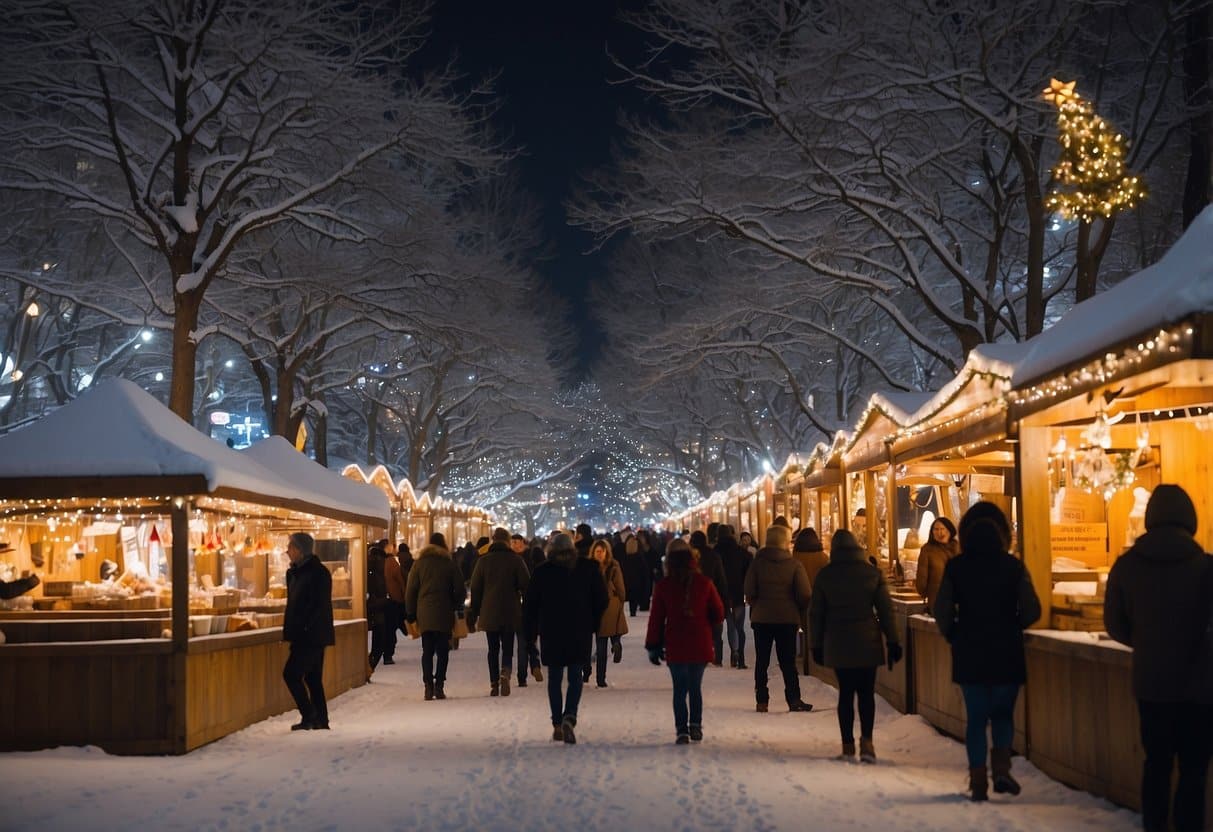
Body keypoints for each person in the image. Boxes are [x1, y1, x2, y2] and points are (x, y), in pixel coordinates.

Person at [1105, 484, 1213, 832]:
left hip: (1151, 684)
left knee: (1157, 764)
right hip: (1200, 685)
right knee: (1194, 770)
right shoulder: (1207, 567)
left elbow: (1113, 623)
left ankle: (1154, 826)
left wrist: (1146, 643)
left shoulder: (1126, 565)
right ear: (1190, 520)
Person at [935, 501, 1041, 802]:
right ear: (1003, 536)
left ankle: (979, 778)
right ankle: (1002, 767)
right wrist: (1014, 624)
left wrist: (954, 632)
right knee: (1004, 715)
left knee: (977, 718)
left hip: (969, 650)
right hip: (1007, 649)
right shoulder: (1013, 566)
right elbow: (1033, 608)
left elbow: (942, 609)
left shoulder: (956, 567)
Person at [810, 529, 901, 763]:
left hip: (838, 641)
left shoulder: (825, 576)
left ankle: (848, 745)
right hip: (867, 641)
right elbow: (886, 611)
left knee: (846, 694)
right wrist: (892, 640)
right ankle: (868, 743)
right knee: (866, 694)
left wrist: (816, 644)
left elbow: (816, 614)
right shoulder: (871, 574)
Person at [524, 532, 608, 744]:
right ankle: (570, 715)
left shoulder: (542, 572)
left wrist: (531, 633)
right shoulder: (588, 569)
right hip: (580, 630)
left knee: (554, 678)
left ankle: (556, 722)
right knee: (575, 676)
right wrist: (592, 620)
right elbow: (602, 599)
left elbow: (530, 605)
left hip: (551, 631)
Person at [646, 539, 725, 744]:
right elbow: (718, 613)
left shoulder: (664, 586)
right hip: (700, 641)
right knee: (695, 687)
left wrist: (653, 645)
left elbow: (656, 618)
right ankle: (696, 726)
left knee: (679, 689)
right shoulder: (704, 583)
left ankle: (681, 729)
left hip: (675, 643)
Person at [743, 524, 812, 713]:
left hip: (762, 618)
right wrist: (795, 606)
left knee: (762, 660)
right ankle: (794, 699)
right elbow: (805, 593)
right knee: (788, 661)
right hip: (787, 619)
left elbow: (748, 589)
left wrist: (757, 604)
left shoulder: (757, 563)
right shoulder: (794, 564)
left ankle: (762, 700)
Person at [469, 528, 530, 697]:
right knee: (508, 647)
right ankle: (505, 672)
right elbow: (526, 585)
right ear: (507, 541)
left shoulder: (483, 561)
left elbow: (475, 588)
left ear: (493, 540)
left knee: (493, 648)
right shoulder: (516, 560)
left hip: (489, 610)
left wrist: (474, 611)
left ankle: (494, 682)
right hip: (511, 610)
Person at [282, 532, 334, 730]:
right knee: (312, 678)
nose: (287, 552)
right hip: (304, 634)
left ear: (299, 550)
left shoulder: (317, 573)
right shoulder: (294, 573)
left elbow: (318, 606)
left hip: (311, 635)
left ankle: (310, 715)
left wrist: (304, 628)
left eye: (290, 548)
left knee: (291, 674)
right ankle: (320, 719)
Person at [404, 537, 465, 701]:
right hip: (444, 612)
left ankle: (428, 685)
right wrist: (455, 603)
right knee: (443, 651)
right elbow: (460, 589)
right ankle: (439, 686)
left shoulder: (418, 564)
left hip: (424, 612)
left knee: (427, 651)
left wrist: (410, 612)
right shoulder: (449, 564)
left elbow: (410, 590)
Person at [587, 538, 628, 687]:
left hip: (598, 607)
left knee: (601, 642)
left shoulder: (589, 567)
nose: (599, 554)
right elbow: (621, 589)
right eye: (598, 552)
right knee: (613, 631)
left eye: (601, 552)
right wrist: (620, 601)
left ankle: (600, 678)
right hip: (612, 603)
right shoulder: (614, 566)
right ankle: (616, 643)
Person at [689, 530, 729, 666]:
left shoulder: (689, 557)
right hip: (713, 595)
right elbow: (721, 579)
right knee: (716, 629)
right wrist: (724, 598)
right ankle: (718, 657)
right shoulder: (714, 556)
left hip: (695, 598)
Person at [715, 524, 752, 670]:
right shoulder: (742, 553)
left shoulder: (715, 553)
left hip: (719, 595)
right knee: (737, 627)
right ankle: (738, 656)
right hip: (737, 594)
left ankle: (718, 657)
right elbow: (748, 574)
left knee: (718, 627)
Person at [509, 533, 543, 687]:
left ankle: (522, 675)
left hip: (522, 604)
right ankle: (534, 665)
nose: (515, 545)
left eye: (517, 542)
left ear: (523, 543)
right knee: (527, 639)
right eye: (513, 542)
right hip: (526, 604)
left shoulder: (516, 560)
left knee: (524, 640)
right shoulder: (528, 559)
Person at [915, 517, 959, 611]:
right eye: (936, 529)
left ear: (949, 530)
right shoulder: (927, 550)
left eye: (942, 529)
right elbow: (921, 580)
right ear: (932, 532)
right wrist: (925, 593)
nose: (940, 532)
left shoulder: (958, 548)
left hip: (959, 600)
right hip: (938, 601)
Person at [366, 543, 390, 670]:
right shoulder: (372, 575)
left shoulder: (377, 574)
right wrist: (383, 601)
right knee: (379, 645)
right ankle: (369, 668)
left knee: (379, 645)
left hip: (378, 613)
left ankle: (369, 668)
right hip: (376, 613)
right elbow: (371, 597)